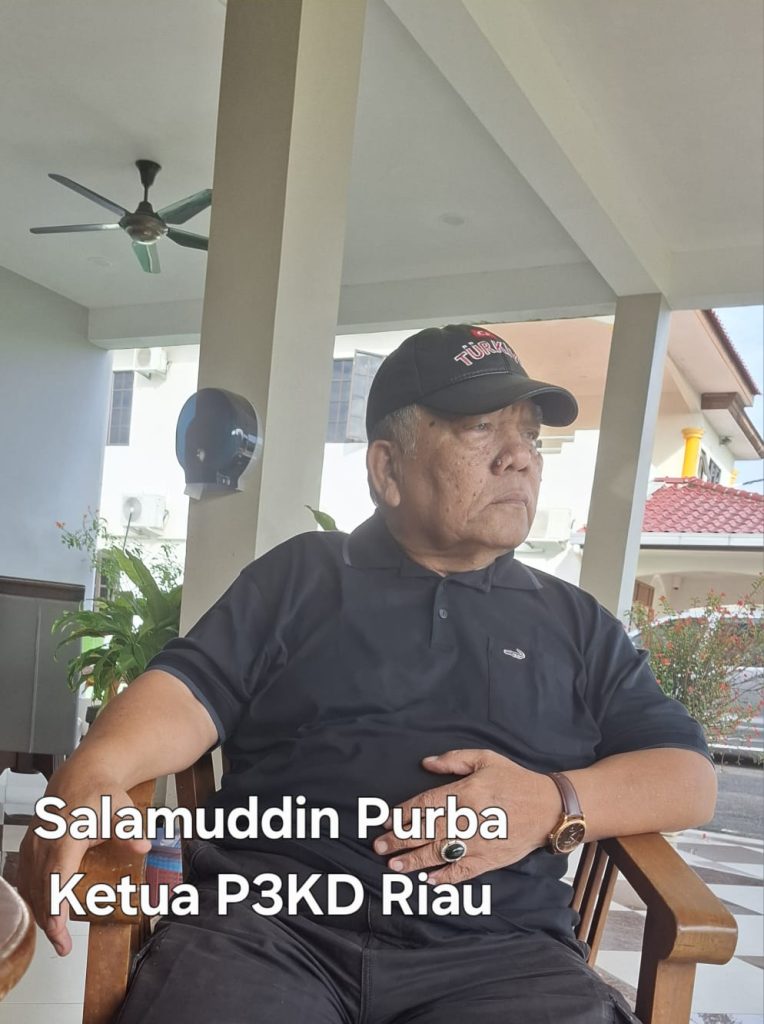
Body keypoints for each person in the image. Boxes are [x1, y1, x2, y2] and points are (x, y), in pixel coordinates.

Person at [19, 324, 716, 1024]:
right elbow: (186, 691)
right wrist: (93, 769)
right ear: (388, 469)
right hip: (268, 931)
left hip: (501, 958)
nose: (521, 458)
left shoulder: (576, 623)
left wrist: (555, 802)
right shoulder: (303, 576)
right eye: (481, 428)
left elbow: (687, 777)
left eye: (530, 435)